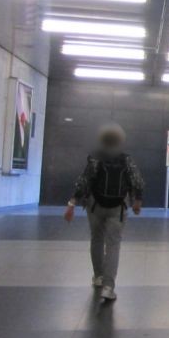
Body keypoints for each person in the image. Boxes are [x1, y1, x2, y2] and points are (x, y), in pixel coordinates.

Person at [64, 122, 144, 301]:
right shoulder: (126, 159)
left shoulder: (95, 158)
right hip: (118, 208)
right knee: (113, 244)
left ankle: (98, 276)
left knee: (97, 239)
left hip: (95, 206)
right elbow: (137, 181)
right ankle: (108, 287)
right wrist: (137, 201)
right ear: (120, 140)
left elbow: (83, 181)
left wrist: (72, 203)